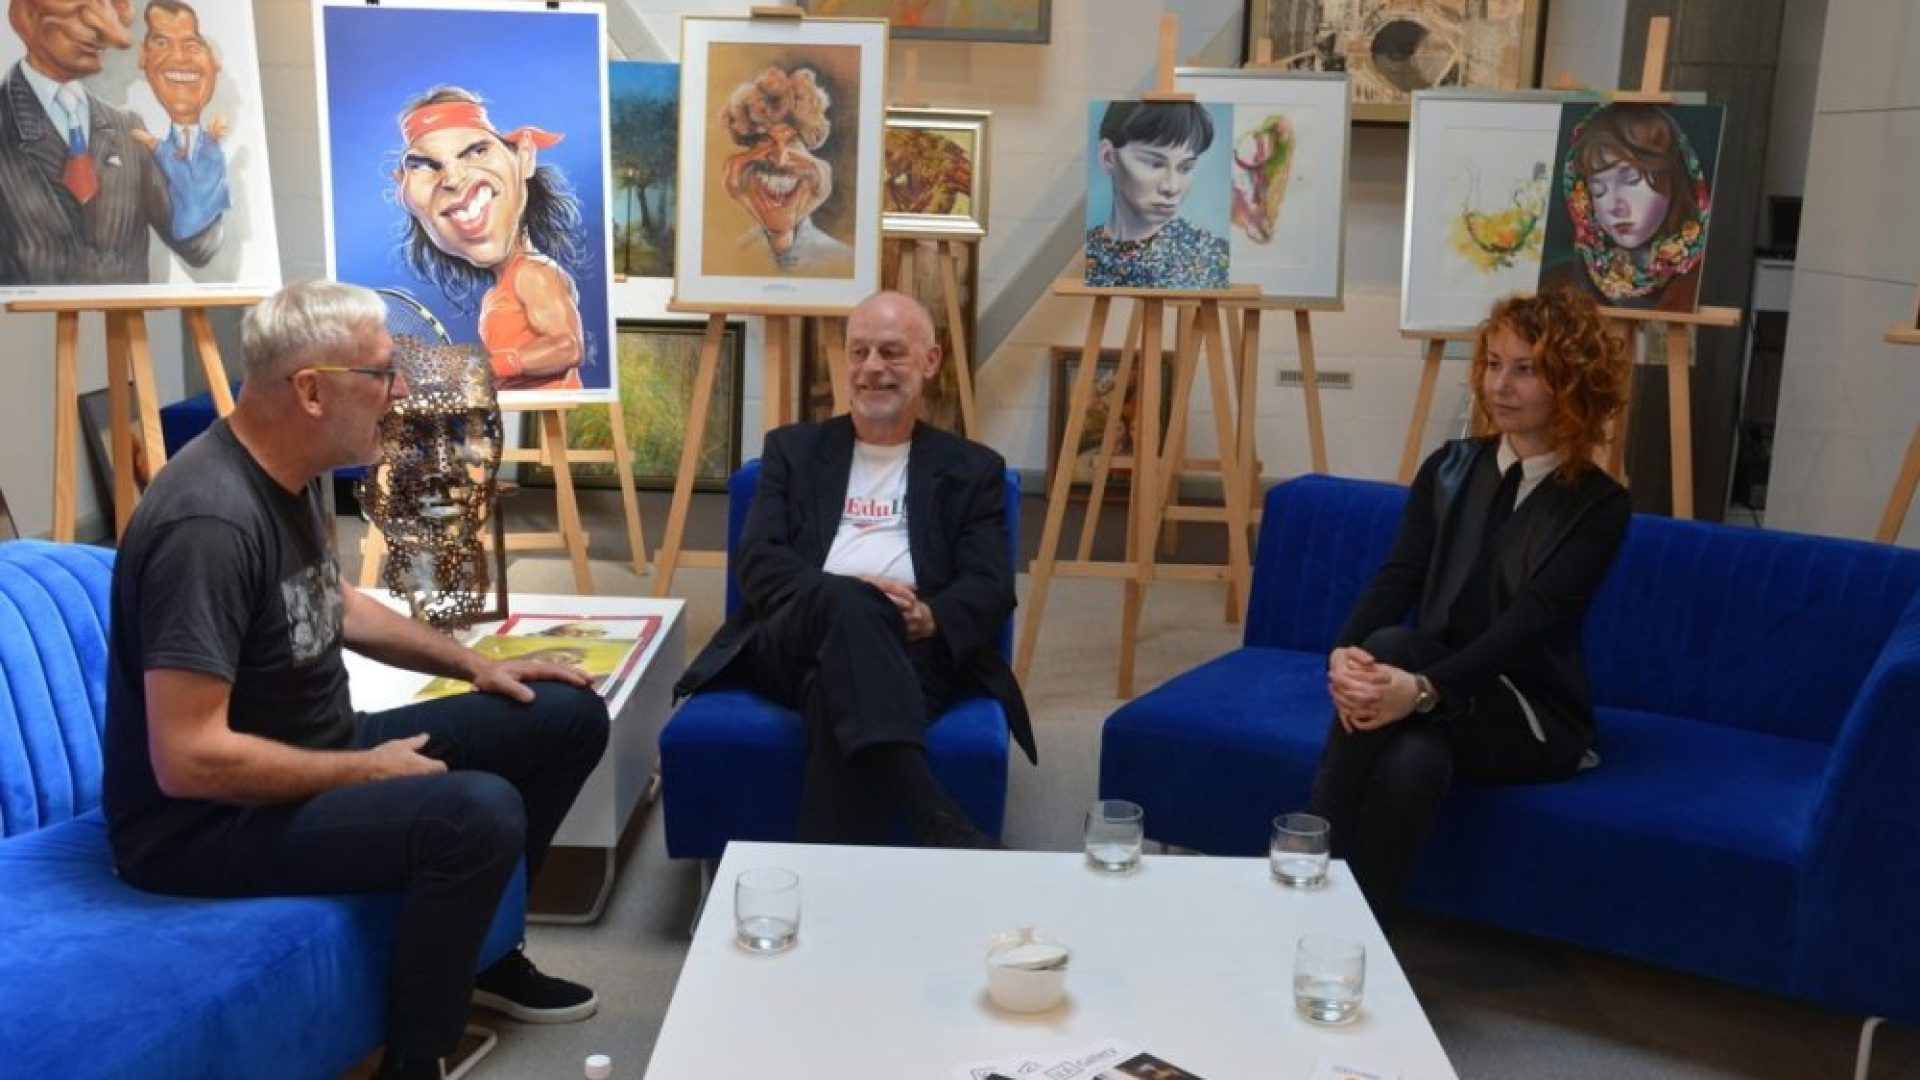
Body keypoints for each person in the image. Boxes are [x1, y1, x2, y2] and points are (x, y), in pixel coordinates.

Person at [102, 280, 610, 1080]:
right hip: (203, 827)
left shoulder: (289, 470)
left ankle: (487, 952)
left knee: (560, 714)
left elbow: (333, 601)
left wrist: (478, 665)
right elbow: (187, 758)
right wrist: (364, 771)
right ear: (311, 390)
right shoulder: (207, 524)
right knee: (476, 812)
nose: (399, 392)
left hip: (314, 752)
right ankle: (412, 1061)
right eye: (380, 374)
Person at [1306, 287, 1633, 932]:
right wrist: (1343, 653)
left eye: (1525, 369)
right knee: (1413, 759)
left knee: (1394, 648)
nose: (1499, 386)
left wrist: (1421, 690)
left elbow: (1532, 622)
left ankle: (1301, 871)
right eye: (1493, 364)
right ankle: (1354, 939)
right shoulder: (1449, 467)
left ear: (1571, 383)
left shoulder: (1600, 505)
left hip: (1528, 713)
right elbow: (1401, 574)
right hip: (1427, 682)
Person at [673, 290, 1035, 847]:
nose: (871, 368)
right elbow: (759, 561)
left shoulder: (972, 469)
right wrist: (848, 594)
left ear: (930, 361)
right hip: (792, 635)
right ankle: (931, 811)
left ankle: (825, 876)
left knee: (833, 690)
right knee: (849, 602)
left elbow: (989, 585)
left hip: (912, 646)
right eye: (859, 351)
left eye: (891, 352)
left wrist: (930, 618)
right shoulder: (793, 451)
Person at [0, 0, 226, 285]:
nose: (110, 35)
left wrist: (187, 122)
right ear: (29, 16)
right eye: (83, 15)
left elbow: (199, 246)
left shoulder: (128, 129)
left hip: (126, 306)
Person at [394, 86, 587, 392]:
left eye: (477, 151)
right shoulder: (498, 292)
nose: (453, 180)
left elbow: (567, 348)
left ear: (524, 156)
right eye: (424, 166)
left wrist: (486, 367)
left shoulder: (534, 273)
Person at [1551, 103, 1711, 312]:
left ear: (1672, 177)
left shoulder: (1702, 278)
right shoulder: (1565, 281)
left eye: (1631, 179)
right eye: (1598, 190)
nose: (1614, 206)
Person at [718, 64, 854, 275]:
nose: (780, 160)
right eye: (765, 140)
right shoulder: (723, 259)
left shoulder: (845, 263)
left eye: (793, 142)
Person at [1085, 100, 1229, 290]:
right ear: (1108, 157)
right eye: (1154, 164)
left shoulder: (1213, 257)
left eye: (1185, 168)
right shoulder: (1085, 251)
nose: (1172, 187)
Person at [134, 0, 227, 241]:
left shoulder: (219, 150)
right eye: (161, 43)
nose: (179, 58)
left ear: (214, 61)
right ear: (143, 56)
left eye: (193, 46)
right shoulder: (124, 135)